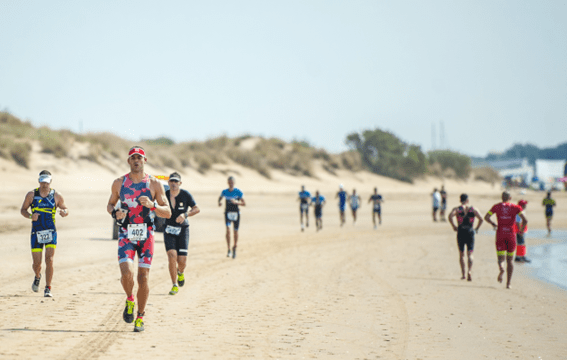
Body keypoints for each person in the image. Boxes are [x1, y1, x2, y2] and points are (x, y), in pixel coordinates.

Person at [107, 146, 171, 332]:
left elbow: (167, 212)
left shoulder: (154, 184)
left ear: (145, 160)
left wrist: (152, 205)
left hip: (147, 235)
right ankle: (130, 299)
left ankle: (140, 317)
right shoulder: (119, 183)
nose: (136, 161)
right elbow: (110, 205)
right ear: (128, 161)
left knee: (143, 278)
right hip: (126, 234)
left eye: (139, 158)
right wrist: (115, 213)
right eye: (133, 158)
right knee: (126, 273)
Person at [20, 170, 69, 298]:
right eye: (42, 182)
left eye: (47, 182)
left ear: (50, 182)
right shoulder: (31, 195)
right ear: (39, 181)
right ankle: (37, 276)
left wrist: (64, 212)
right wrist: (31, 216)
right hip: (36, 232)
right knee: (37, 264)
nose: (44, 185)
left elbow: (65, 208)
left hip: (51, 232)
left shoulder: (56, 195)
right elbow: (23, 210)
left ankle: (48, 288)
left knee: (50, 259)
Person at [164, 172, 200, 295]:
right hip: (169, 229)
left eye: (176, 181)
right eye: (171, 181)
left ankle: (180, 273)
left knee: (182, 260)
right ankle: (174, 284)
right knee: (171, 256)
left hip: (183, 229)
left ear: (180, 183)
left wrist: (185, 214)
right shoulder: (164, 195)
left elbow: (196, 208)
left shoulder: (185, 195)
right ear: (168, 183)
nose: (173, 184)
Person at [484, 191, 527, 289]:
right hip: (511, 235)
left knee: (500, 258)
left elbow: (486, 217)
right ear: (510, 197)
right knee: (510, 260)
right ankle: (508, 283)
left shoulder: (496, 206)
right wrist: (520, 230)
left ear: (501, 197)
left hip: (500, 234)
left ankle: (501, 268)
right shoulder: (516, 207)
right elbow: (525, 220)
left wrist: (493, 224)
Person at [448, 194, 483, 281]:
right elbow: (481, 218)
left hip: (461, 231)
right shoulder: (473, 209)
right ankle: (469, 271)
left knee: (462, 254)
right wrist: (477, 228)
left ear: (460, 200)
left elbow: (450, 216)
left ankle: (463, 274)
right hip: (470, 231)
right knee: (470, 253)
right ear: (467, 200)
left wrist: (454, 226)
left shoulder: (457, 209)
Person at [218, 176, 245, 258]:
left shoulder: (238, 192)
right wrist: (219, 202)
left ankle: (235, 247)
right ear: (227, 183)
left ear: (234, 183)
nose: (231, 184)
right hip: (227, 213)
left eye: (232, 183)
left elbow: (244, 203)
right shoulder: (224, 191)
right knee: (228, 230)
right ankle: (229, 248)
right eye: (229, 183)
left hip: (236, 213)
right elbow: (220, 198)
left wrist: (236, 202)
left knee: (235, 232)